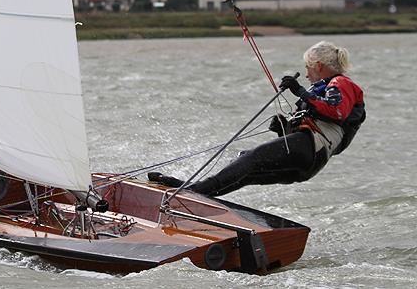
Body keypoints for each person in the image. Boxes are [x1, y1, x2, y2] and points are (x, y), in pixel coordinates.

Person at [148, 41, 366, 197]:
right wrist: (284, 130)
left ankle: (193, 191)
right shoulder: (323, 88)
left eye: (307, 68)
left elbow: (336, 112)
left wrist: (299, 91)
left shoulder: (340, 83)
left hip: (312, 151)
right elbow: (320, 125)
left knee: (251, 159)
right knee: (247, 170)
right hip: (310, 159)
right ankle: (200, 193)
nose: (307, 74)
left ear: (318, 66)